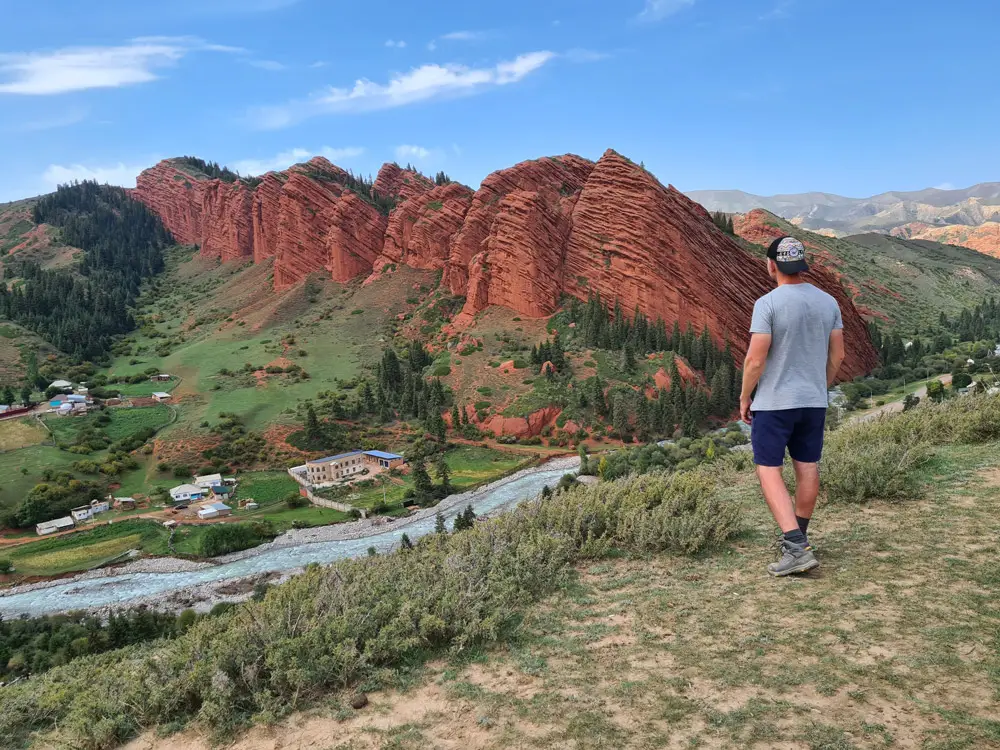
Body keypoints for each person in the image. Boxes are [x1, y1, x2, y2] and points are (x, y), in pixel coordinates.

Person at [740, 236, 845, 576]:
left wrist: (745, 397)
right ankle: (800, 539)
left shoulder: (767, 303)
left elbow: (756, 359)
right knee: (807, 465)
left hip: (774, 404)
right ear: (802, 264)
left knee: (768, 468)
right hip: (813, 402)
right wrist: (820, 387)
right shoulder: (828, 302)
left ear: (771, 264)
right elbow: (838, 355)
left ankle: (795, 546)